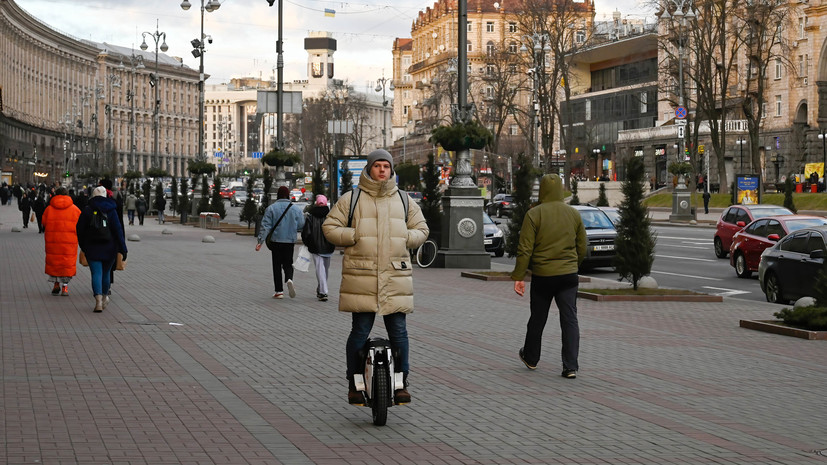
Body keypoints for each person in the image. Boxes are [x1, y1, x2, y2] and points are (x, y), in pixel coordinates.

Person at [322, 149, 429, 405]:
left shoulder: (403, 200)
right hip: (362, 276)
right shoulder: (352, 199)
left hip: (395, 277)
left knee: (400, 333)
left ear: (392, 170)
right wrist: (352, 236)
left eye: (386, 166)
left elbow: (421, 228)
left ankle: (401, 382)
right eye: (378, 165)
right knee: (359, 332)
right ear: (369, 169)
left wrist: (407, 237)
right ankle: (355, 383)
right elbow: (329, 227)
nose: (382, 170)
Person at [511, 174, 586, 379]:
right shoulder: (573, 214)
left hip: (543, 276)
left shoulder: (534, 214)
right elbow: (582, 246)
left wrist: (519, 276)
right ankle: (570, 366)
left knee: (538, 317)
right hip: (569, 276)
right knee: (570, 319)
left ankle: (531, 357)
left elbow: (525, 249)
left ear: (542, 190)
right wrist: (573, 265)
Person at [76, 186, 127, 312]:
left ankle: (98, 301)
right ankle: (105, 297)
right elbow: (118, 230)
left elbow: (79, 229)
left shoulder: (88, 210)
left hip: (92, 247)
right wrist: (123, 248)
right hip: (109, 248)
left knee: (96, 273)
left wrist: (83, 245)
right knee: (105, 273)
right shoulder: (111, 210)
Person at [255, 186, 305, 299]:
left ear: (277, 195)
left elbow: (265, 226)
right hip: (290, 240)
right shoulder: (296, 209)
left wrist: (260, 241)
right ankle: (289, 279)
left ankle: (279, 291)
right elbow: (302, 224)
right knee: (288, 262)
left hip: (276, 240)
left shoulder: (271, 208)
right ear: (288, 195)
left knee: (276, 265)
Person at [42, 187, 82, 296]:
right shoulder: (75, 209)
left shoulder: (49, 209)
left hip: (53, 241)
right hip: (69, 242)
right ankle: (65, 287)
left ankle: (56, 284)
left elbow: (44, 222)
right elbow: (80, 225)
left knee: (54, 263)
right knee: (66, 264)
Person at [301, 194, 336, 302]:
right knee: (325, 269)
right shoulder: (331, 216)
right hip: (329, 246)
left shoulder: (311, 217)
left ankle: (322, 290)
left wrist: (308, 243)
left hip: (315, 247)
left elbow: (306, 233)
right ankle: (322, 289)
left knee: (320, 269)